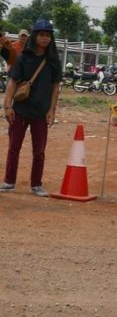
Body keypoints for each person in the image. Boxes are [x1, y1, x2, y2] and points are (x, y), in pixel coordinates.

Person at [1, 19, 62, 196]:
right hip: (20, 110)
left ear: (51, 38)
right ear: (34, 36)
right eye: (41, 35)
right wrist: (7, 106)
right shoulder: (23, 58)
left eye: (47, 35)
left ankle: (36, 184)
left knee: (39, 151)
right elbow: (12, 82)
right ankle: (9, 181)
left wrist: (52, 110)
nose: (44, 38)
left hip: (41, 112)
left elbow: (55, 88)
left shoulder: (53, 61)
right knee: (14, 148)